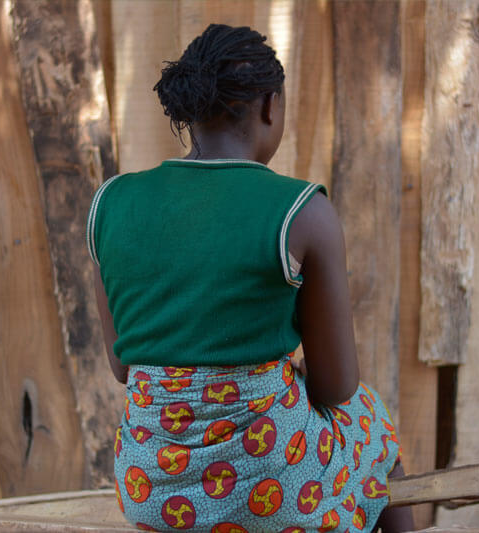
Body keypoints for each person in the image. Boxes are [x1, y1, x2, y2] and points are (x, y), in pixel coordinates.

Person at [88, 23, 414, 532]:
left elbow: (125, 368)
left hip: (150, 487)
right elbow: (336, 386)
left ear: (191, 111)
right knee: (372, 425)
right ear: (270, 106)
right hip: (271, 488)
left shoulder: (111, 203)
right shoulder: (301, 211)